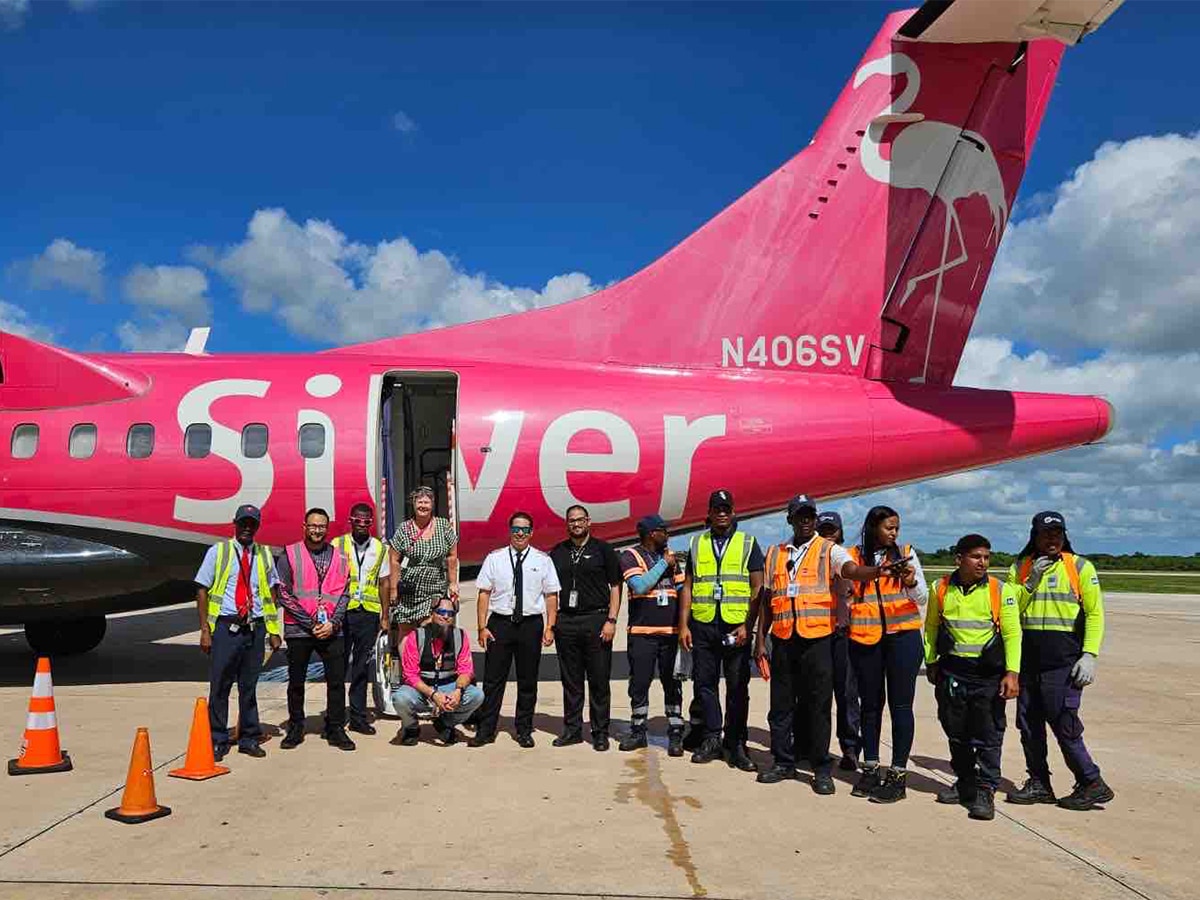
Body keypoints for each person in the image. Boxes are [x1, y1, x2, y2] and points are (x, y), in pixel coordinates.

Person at [1005, 511, 1113, 811]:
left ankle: (1091, 781)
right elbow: (1011, 608)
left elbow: (1094, 614)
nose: (1052, 539)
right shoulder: (1020, 567)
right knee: (1028, 724)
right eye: (1046, 534)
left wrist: (1089, 654)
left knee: (1064, 723)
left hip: (1063, 662)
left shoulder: (1080, 567)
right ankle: (1039, 782)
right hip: (1029, 661)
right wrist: (1030, 581)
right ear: (1034, 536)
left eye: (1058, 533)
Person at [752, 495, 852, 794]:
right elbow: (768, 601)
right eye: (800, 515)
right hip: (783, 639)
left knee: (819, 705)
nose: (805, 520)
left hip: (817, 639)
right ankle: (783, 762)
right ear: (790, 519)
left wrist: (875, 572)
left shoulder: (828, 549)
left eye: (810, 515)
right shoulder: (775, 553)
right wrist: (760, 640)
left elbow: (849, 569)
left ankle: (821, 768)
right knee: (780, 706)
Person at [924, 534, 1021, 821]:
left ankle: (986, 788)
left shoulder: (1000, 590)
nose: (983, 562)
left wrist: (1012, 673)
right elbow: (931, 626)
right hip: (952, 672)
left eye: (986, 557)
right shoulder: (939, 588)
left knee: (989, 734)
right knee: (956, 732)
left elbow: (1013, 634)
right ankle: (965, 781)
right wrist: (930, 661)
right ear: (959, 559)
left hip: (988, 675)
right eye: (976, 557)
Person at [846, 505, 928, 802]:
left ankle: (897, 774)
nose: (894, 533)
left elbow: (922, 598)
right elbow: (846, 592)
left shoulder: (906, 553)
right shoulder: (853, 557)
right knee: (870, 705)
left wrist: (910, 581)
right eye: (888, 527)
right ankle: (870, 768)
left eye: (896, 528)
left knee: (900, 706)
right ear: (873, 528)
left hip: (902, 638)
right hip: (866, 639)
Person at [678, 490, 764, 772]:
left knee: (738, 687)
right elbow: (688, 585)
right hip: (703, 624)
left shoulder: (747, 543)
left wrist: (747, 627)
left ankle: (736, 743)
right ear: (710, 512)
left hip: (735, 624)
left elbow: (757, 588)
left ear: (733, 511)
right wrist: (683, 625)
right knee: (704, 684)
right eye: (717, 508)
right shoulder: (696, 543)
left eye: (726, 508)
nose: (722, 513)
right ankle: (712, 738)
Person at [194, 504, 281, 760]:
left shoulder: (264, 554)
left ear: (257, 526)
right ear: (234, 523)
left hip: (254, 628)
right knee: (220, 685)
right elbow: (201, 590)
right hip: (225, 627)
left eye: (252, 523)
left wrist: (273, 630)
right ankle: (218, 738)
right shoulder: (218, 552)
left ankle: (248, 737)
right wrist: (205, 630)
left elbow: (272, 592)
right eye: (243, 522)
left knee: (249, 686)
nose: (247, 527)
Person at [471, 511, 560, 748]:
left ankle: (523, 729)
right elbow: (483, 593)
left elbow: (551, 596)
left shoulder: (543, 560)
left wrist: (550, 627)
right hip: (500, 623)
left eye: (524, 530)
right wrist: (481, 627)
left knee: (528, 680)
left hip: (531, 625)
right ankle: (486, 729)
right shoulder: (495, 558)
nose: (520, 534)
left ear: (531, 533)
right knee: (492, 680)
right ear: (509, 532)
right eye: (515, 529)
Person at [272, 507, 356, 751]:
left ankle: (336, 728)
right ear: (304, 527)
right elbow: (283, 593)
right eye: (313, 525)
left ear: (327, 529)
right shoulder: (290, 554)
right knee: (296, 681)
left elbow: (345, 593)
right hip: (299, 630)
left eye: (321, 526)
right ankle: (296, 727)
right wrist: (311, 624)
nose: (317, 530)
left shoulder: (340, 557)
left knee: (337, 681)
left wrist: (333, 623)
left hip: (332, 629)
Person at [549, 505, 622, 751]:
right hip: (567, 621)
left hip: (596, 620)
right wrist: (551, 623)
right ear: (567, 524)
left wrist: (611, 620)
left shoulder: (603, 550)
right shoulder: (558, 551)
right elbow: (549, 590)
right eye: (571, 521)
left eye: (580, 520)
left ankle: (600, 733)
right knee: (571, 681)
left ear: (588, 521)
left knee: (599, 680)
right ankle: (572, 730)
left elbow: (615, 586)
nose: (576, 524)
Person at [618, 514, 686, 756]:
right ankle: (638, 731)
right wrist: (663, 565)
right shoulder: (630, 556)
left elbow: (681, 591)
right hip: (642, 634)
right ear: (650, 534)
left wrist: (684, 626)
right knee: (639, 683)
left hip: (670, 634)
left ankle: (676, 731)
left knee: (673, 683)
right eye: (662, 531)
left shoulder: (670, 559)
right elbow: (639, 586)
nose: (667, 535)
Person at [334, 502, 391, 736]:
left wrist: (385, 615)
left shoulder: (379, 548)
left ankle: (358, 717)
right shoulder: (337, 545)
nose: (362, 524)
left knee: (361, 668)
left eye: (366, 521)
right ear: (350, 521)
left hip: (367, 613)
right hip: (342, 613)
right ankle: (335, 718)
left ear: (371, 523)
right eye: (357, 520)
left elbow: (384, 582)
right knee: (336, 667)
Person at [392, 601, 484, 745]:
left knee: (477, 696)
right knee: (400, 698)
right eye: (441, 612)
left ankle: (445, 722)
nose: (446, 617)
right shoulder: (416, 636)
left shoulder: (460, 635)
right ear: (432, 614)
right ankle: (411, 727)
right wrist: (433, 695)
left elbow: (466, 670)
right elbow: (409, 674)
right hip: (422, 687)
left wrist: (458, 691)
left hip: (449, 685)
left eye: (450, 614)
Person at [816, 511, 861, 771]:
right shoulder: (811, 560)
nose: (828, 535)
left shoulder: (850, 561)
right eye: (824, 530)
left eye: (832, 530)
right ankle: (811, 745)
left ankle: (850, 748)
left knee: (846, 695)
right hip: (817, 634)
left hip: (843, 634)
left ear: (840, 533)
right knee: (816, 693)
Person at [389, 485, 459, 638]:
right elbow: (394, 559)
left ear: (432, 505)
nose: (423, 506)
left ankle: (428, 659)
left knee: (431, 626)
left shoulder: (443, 526)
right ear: (413, 504)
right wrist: (394, 589)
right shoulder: (404, 528)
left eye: (426, 502)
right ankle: (409, 662)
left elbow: (452, 556)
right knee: (406, 629)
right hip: (410, 588)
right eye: (419, 502)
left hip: (435, 587)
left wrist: (453, 583)